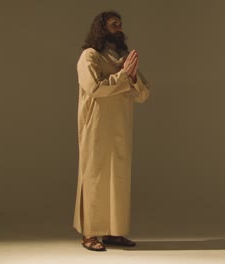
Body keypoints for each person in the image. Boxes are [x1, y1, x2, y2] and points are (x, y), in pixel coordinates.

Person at [73, 11, 150, 252]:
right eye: (113, 24)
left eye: (120, 24)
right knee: (95, 178)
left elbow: (144, 94)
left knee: (118, 179)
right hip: (96, 126)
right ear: (101, 28)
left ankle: (114, 232)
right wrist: (124, 75)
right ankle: (90, 234)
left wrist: (133, 76)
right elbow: (95, 87)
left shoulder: (123, 57)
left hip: (120, 127)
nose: (119, 28)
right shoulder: (90, 56)